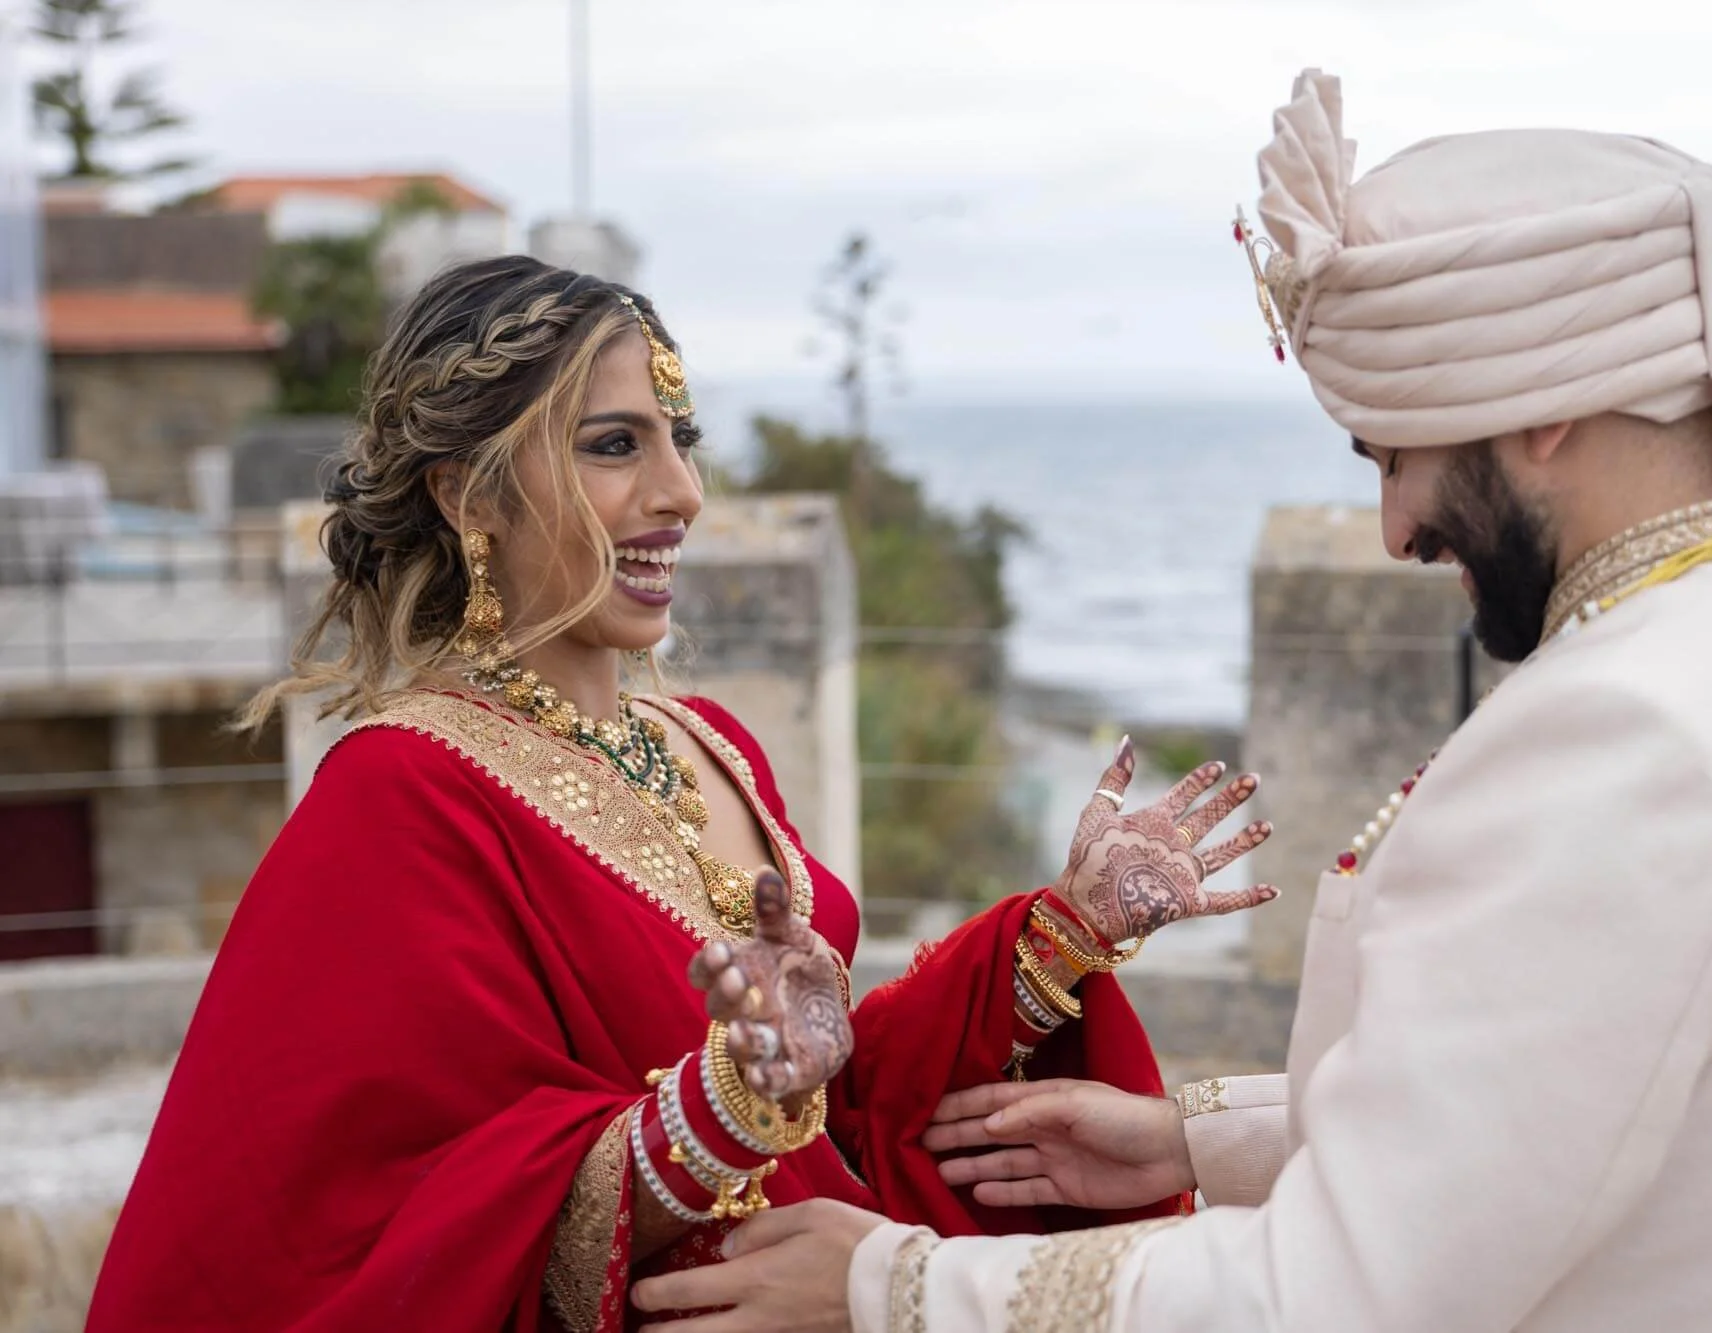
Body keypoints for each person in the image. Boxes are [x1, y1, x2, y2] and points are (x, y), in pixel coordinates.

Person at [633, 71, 1712, 1333]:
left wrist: (891, 1283)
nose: (1398, 525)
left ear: (1541, 407)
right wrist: (1195, 1144)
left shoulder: (1628, 736)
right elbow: (1572, 1119)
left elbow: (1339, 1292)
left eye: (1394, 450)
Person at [82, 255, 1280, 1333]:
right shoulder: (402, 794)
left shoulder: (707, 741)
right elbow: (432, 1235)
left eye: (679, 438)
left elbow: (838, 1103)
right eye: (614, 447)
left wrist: (1052, 942)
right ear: (466, 495)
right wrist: (719, 1105)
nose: (682, 493)